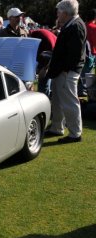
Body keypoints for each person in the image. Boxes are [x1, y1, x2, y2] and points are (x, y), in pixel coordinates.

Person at [45, 0, 87, 143]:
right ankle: (57, 127)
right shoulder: (72, 24)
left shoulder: (76, 26)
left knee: (69, 102)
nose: (57, 14)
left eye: (58, 11)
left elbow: (74, 55)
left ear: (65, 12)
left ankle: (75, 134)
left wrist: (63, 70)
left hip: (67, 71)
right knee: (57, 100)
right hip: (62, 71)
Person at [29, 28, 57, 96]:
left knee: (44, 82)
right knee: (44, 80)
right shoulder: (40, 35)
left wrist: (44, 69)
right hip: (50, 54)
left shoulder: (35, 36)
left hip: (52, 56)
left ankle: (44, 99)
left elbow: (49, 55)